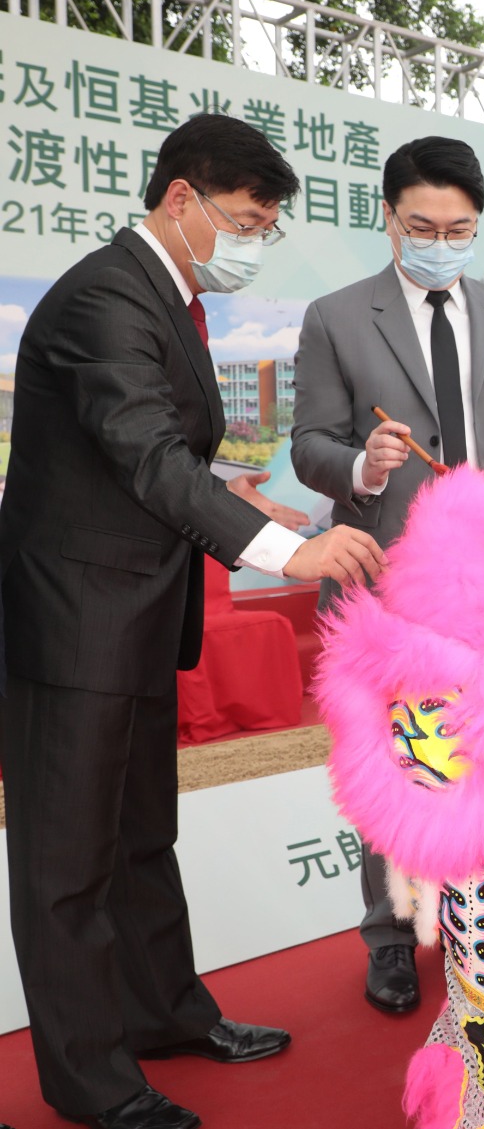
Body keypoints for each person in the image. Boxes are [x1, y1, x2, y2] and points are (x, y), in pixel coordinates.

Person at [0, 114, 386, 1129]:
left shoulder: (160, 295)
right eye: (247, 219)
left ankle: (165, 1010)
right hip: (74, 621)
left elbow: (160, 454)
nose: (254, 240)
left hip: (131, 613)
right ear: (182, 200)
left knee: (138, 835)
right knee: (66, 864)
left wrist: (255, 505)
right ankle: (92, 1078)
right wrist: (285, 552)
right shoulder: (103, 298)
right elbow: (143, 454)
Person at [291, 135, 484, 1017]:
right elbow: (306, 447)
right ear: (388, 218)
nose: (441, 240)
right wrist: (363, 466)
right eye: (423, 225)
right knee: (394, 757)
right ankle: (390, 935)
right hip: (387, 573)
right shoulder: (337, 316)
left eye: (460, 227)